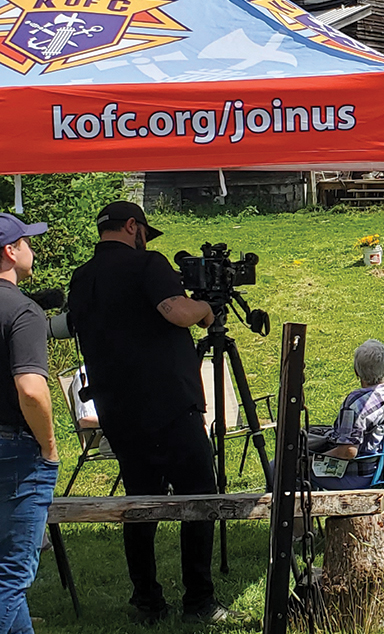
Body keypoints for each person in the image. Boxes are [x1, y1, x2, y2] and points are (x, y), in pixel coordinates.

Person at [67, 201, 249, 625]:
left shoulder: (82, 276)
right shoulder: (147, 264)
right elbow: (177, 312)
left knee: (140, 506)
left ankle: (147, 601)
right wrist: (205, 309)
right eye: (144, 231)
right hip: (169, 407)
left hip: (116, 409)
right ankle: (199, 600)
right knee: (200, 498)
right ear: (133, 227)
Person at [0, 214, 58, 634]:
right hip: (15, 451)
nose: (31, 250)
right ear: (10, 251)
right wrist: (49, 443)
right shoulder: (23, 311)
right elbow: (32, 390)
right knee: (10, 577)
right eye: (26, 242)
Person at [305, 340, 384, 489]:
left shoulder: (355, 404)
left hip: (355, 476)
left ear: (356, 371)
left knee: (284, 466)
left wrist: (312, 459)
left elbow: (348, 451)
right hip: (381, 469)